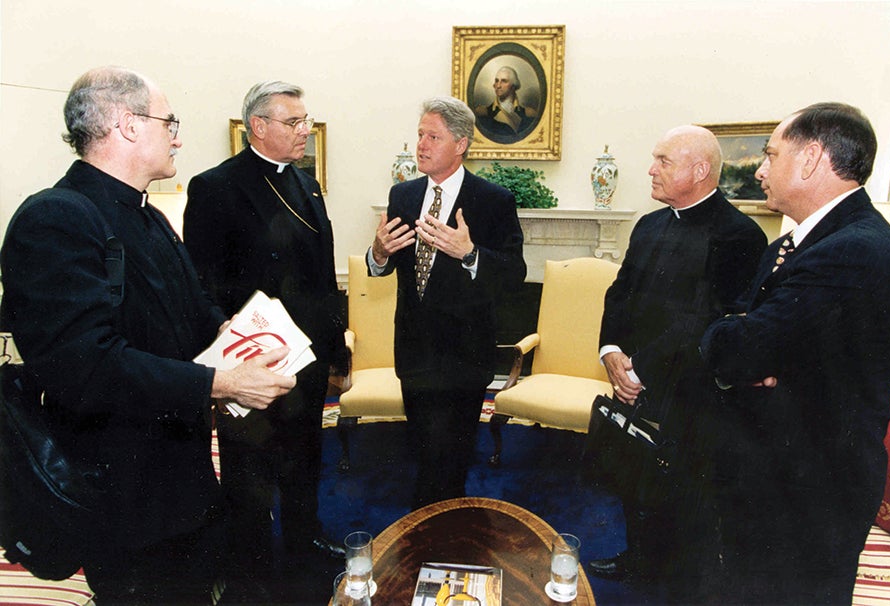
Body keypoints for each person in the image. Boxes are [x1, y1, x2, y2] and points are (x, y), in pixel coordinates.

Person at [0, 66, 296, 605]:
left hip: (181, 485)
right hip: (122, 499)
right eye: (170, 122)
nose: (178, 135)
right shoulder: (56, 218)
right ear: (128, 126)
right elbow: (86, 367)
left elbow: (191, 315)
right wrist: (220, 384)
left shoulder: (150, 217)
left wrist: (236, 332)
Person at [701, 102, 890, 604]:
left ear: (811, 159)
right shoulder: (795, 243)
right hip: (780, 476)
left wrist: (741, 343)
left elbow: (737, 351)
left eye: (770, 154)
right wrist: (745, 341)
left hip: (810, 490)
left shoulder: (853, 249)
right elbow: (745, 336)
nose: (761, 170)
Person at [583, 125, 767, 602]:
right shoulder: (649, 224)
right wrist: (611, 353)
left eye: (663, 160)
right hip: (632, 375)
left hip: (691, 388)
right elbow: (619, 293)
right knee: (633, 468)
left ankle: (674, 578)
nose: (650, 169)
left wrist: (638, 368)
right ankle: (638, 557)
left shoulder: (739, 235)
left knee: (683, 488)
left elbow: (706, 319)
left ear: (699, 170)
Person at [183, 81, 347, 601]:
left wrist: (336, 348)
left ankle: (304, 544)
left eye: (305, 122)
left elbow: (323, 275)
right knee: (250, 471)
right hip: (253, 359)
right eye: (294, 123)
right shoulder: (215, 187)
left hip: (308, 357)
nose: (305, 131)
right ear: (258, 127)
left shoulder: (307, 183)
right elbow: (203, 282)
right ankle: (250, 570)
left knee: (304, 458)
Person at [368, 96, 526, 509]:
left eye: (432, 136)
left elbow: (514, 274)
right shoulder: (402, 195)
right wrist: (379, 253)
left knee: (450, 461)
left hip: (463, 355)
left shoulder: (492, 200)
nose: (421, 144)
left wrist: (470, 253)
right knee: (422, 452)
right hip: (414, 351)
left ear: (461, 144)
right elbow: (385, 264)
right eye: (420, 134)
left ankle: (442, 538)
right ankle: (424, 532)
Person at [473, 66, 539, 144]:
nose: (498, 86)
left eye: (504, 81)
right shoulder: (483, 113)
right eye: (497, 81)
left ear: (513, 86)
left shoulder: (529, 114)